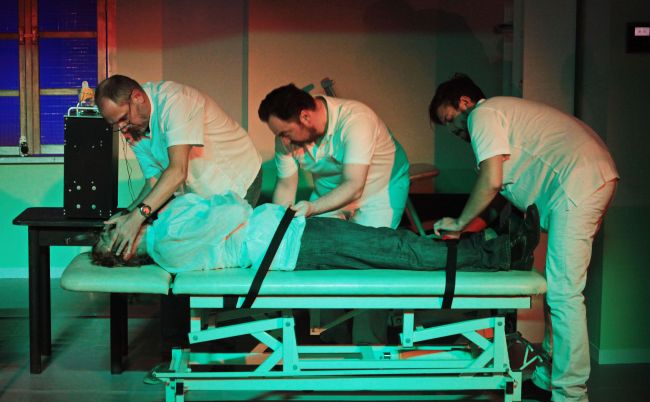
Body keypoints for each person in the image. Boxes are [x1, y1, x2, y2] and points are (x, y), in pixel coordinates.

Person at [428, 74, 619, 402]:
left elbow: (491, 181)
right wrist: (469, 227)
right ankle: (548, 381)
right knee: (555, 292)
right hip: (582, 179)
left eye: (451, 119)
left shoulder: (483, 114)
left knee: (564, 294)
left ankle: (572, 400)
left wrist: (458, 222)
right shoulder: (501, 118)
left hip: (579, 182)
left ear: (465, 103)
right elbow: (500, 194)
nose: (454, 131)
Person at [91, 192, 539, 275]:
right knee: (400, 248)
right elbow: (230, 208)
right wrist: (223, 206)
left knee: (397, 244)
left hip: (290, 233)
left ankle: (494, 244)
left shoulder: (167, 226)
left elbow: (226, 208)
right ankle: (500, 254)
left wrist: (224, 208)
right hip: (292, 243)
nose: (118, 218)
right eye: (112, 230)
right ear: (125, 250)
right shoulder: (167, 243)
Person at [94, 75, 263, 257]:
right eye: (115, 124)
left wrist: (137, 217)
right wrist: (128, 213)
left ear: (137, 97)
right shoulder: (132, 128)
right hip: (201, 190)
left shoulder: (176, 102)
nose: (122, 128)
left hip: (237, 177)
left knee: (228, 250)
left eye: (123, 118)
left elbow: (177, 171)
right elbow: (154, 179)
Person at [258, 83, 410, 229]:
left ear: (305, 117)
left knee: (368, 243)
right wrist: (279, 225)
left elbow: (354, 185)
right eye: (279, 135)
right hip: (328, 191)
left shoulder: (357, 120)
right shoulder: (285, 138)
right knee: (314, 239)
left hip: (377, 190)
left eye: (286, 133)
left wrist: (313, 207)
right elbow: (286, 185)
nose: (284, 141)